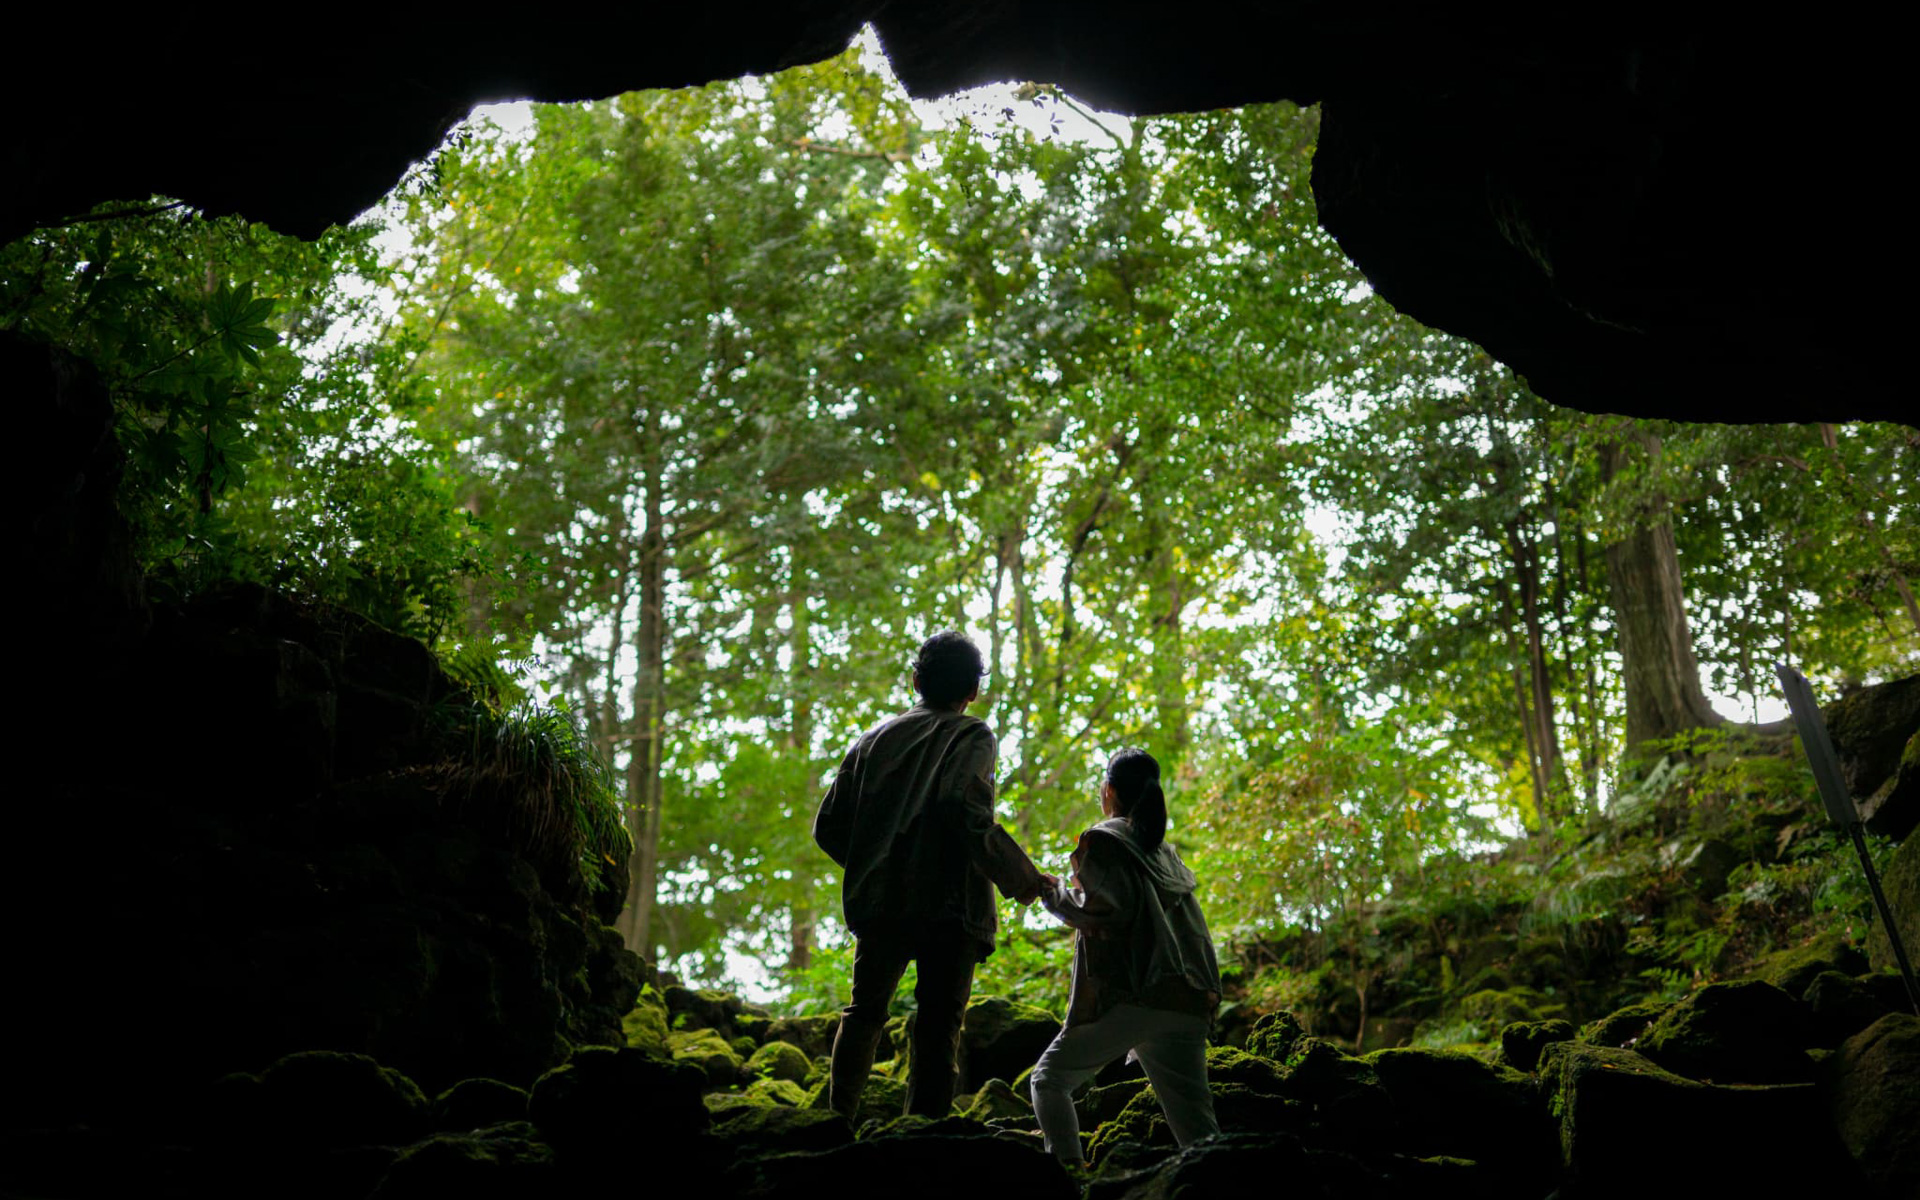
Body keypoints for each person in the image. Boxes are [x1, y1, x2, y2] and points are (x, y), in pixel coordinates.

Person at [812, 630, 1044, 1122]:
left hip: (881, 905)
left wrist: (876, 865)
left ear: (915, 680)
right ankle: (923, 1135)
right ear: (973, 692)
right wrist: (1022, 879)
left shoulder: (873, 740)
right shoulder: (972, 735)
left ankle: (834, 1122)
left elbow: (829, 825)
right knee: (939, 1025)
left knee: (864, 1012)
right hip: (950, 907)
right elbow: (963, 806)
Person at [1029, 747, 1222, 1166]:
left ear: (1109, 790)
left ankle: (1068, 1177)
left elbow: (1100, 914)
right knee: (1197, 1127)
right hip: (1189, 998)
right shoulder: (1163, 850)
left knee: (1049, 1080)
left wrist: (1052, 892)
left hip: (1143, 994)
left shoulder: (1105, 839)